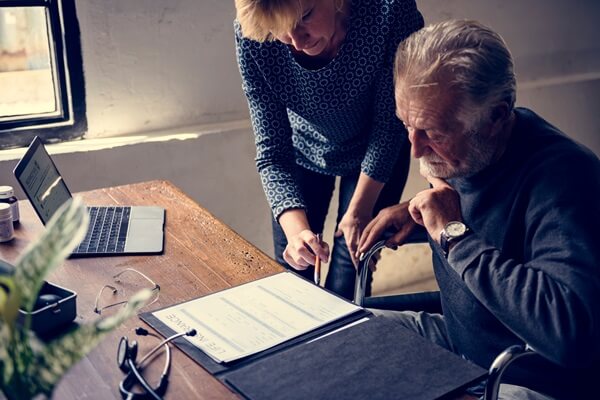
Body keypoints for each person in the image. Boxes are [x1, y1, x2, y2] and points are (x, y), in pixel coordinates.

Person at [358, 20, 600, 399]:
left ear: (497, 118)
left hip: (525, 378)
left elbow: (570, 334)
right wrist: (419, 214)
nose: (415, 150)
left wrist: (452, 233)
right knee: (340, 337)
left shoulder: (567, 180)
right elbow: (493, 224)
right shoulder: (466, 152)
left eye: (433, 134)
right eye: (406, 125)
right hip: (459, 343)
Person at [233, 0, 424, 299]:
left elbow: (389, 124)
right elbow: (272, 152)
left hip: (377, 153)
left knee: (349, 277)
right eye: (279, 30)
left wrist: (359, 210)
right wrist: (296, 234)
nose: (295, 41)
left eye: (305, 17)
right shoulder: (257, 35)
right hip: (303, 150)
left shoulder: (389, 10)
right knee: (294, 277)